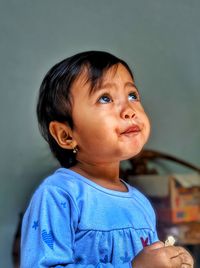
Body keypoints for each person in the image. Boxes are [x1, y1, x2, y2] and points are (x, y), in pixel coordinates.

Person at [20, 51, 194, 267]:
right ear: (66, 135)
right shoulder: (59, 195)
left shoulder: (140, 203)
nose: (129, 110)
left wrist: (172, 261)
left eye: (132, 95)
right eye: (105, 98)